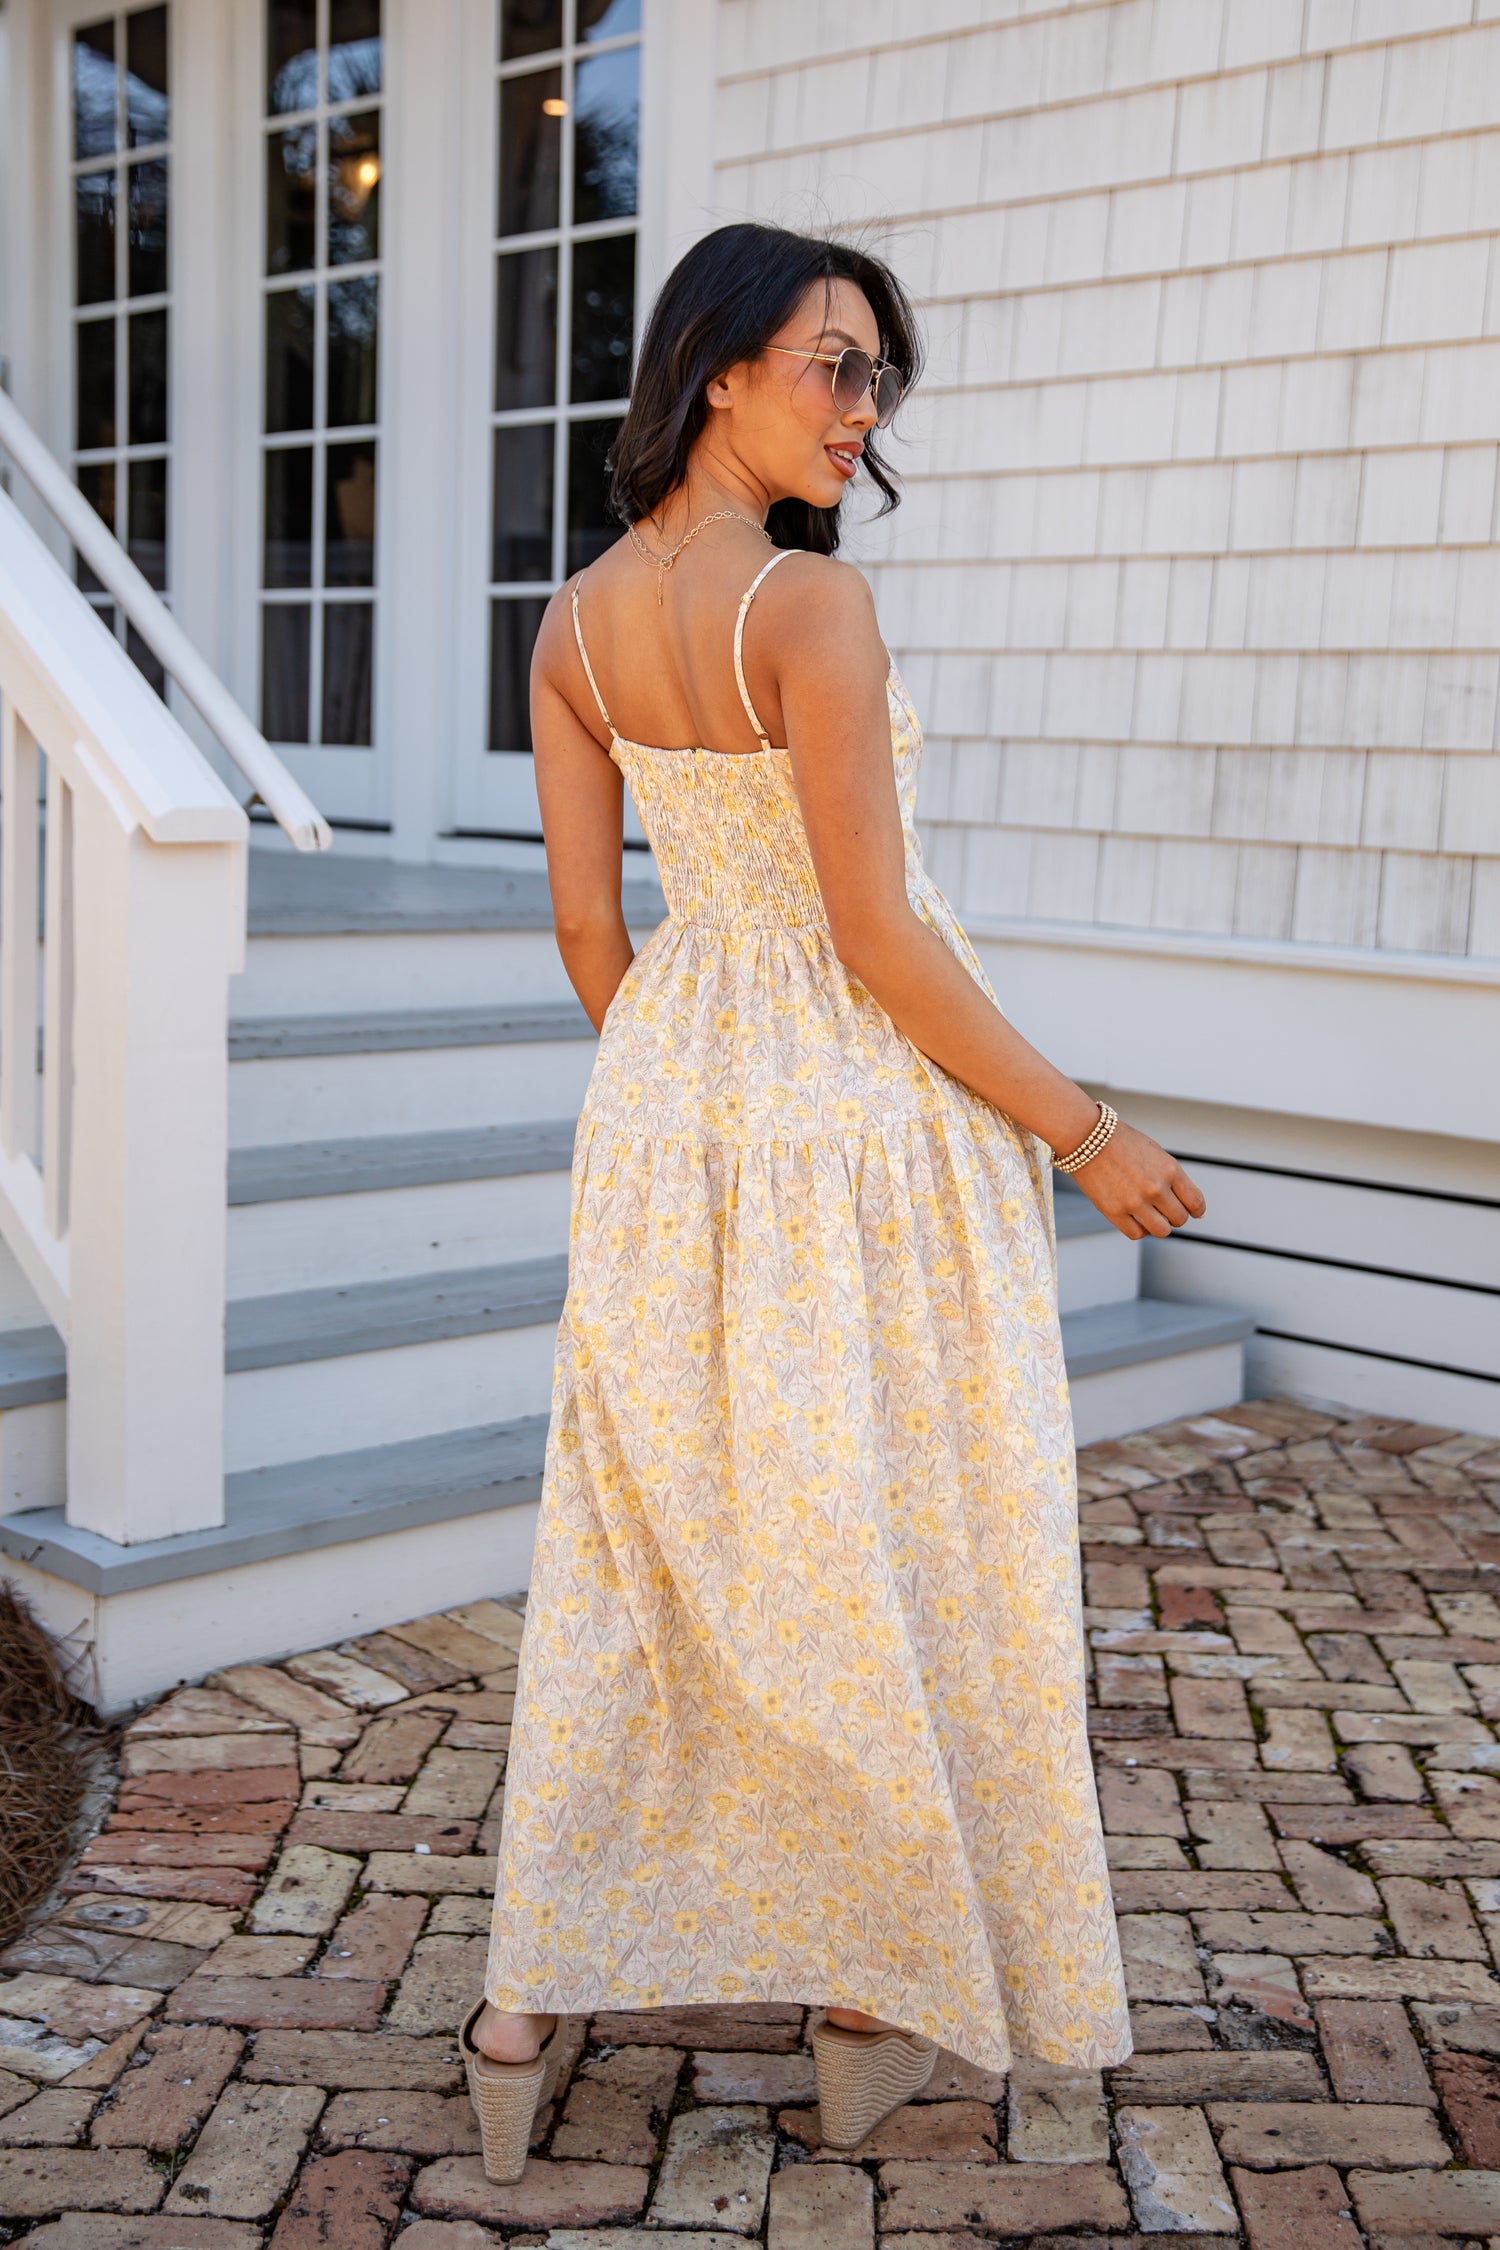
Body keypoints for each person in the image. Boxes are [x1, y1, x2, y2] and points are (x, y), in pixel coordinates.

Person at [460, 220, 1205, 2182]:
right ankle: (869, 2000)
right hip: (865, 1136)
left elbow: (587, 934)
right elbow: (878, 938)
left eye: (880, 375)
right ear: (717, 370)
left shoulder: (572, 621)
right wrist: (1085, 1130)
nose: (864, 410)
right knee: (882, 1543)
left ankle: (520, 2010)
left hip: (670, 1120)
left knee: (650, 1565)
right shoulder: (803, 612)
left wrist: (690, 1101)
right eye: (833, 363)